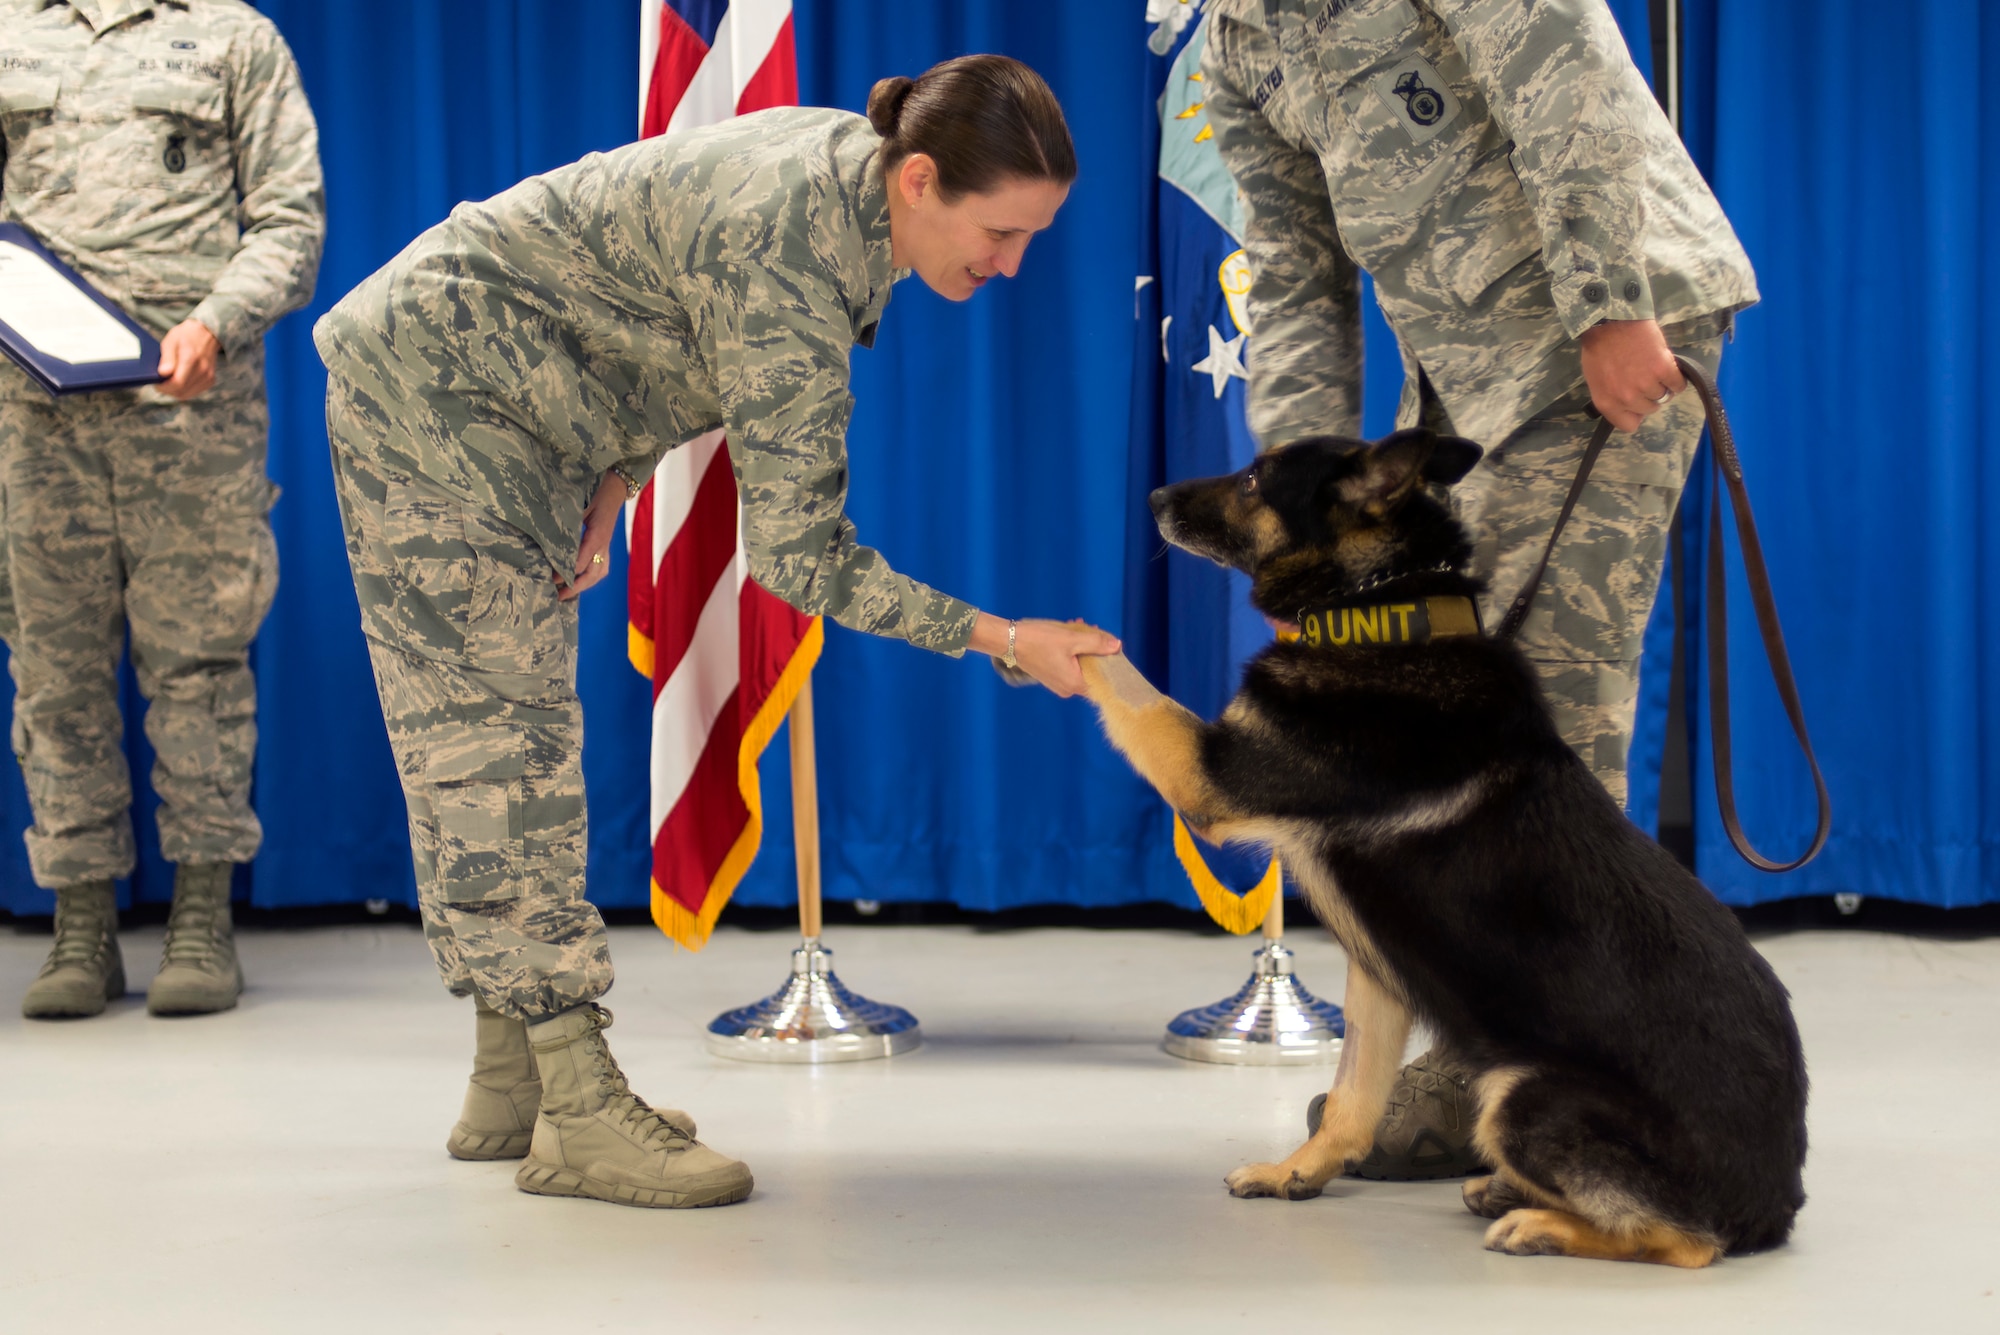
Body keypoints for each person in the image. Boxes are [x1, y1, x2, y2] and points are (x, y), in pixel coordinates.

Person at [314, 55, 1117, 1210]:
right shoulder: (791, 246)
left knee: (496, 726)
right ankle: (579, 1110)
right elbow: (802, 557)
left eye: (1031, 238)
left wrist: (612, 468)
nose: (1008, 265)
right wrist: (1001, 637)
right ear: (920, 178)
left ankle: (511, 1088)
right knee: (497, 748)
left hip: (510, 398)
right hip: (440, 398)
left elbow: (646, 301)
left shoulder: (850, 177)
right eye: (998, 232)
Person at [1198, 0, 1757, 1177]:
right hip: (1457, 377)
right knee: (1446, 714)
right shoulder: (1237, 39)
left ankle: (1579, 1069)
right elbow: (1295, 273)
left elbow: (1574, 88)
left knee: (1550, 698)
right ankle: (1499, 1036)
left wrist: (1607, 305)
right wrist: (1298, 514)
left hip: (1607, 324)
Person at [1, 0, 325, 1019]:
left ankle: (199, 914)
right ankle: (81, 923)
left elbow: (290, 218)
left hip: (191, 410)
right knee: (51, 667)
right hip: (32, 413)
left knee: (199, 663)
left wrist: (216, 323)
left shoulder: (234, 36)